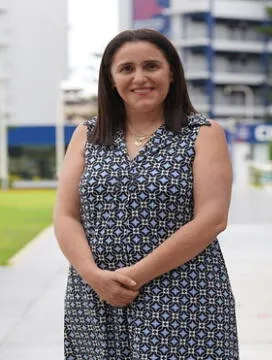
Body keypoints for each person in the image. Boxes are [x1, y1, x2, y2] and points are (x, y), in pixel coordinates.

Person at [53, 28, 239, 359]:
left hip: (184, 295)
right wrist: (93, 276)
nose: (140, 78)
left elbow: (212, 218)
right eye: (126, 69)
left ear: (171, 73)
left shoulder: (203, 134)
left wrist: (131, 278)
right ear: (111, 79)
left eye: (151, 66)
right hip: (95, 295)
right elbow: (66, 215)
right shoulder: (87, 135)